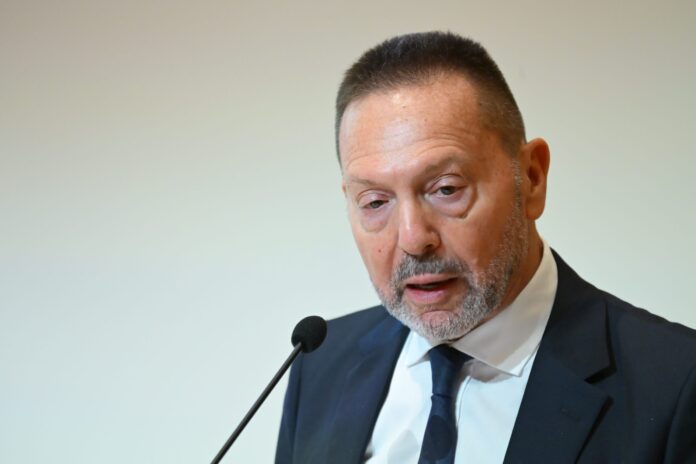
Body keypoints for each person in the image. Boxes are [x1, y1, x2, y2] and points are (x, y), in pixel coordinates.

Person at [275, 31, 696, 464]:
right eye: (375, 202)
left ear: (531, 178)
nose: (414, 238)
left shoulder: (677, 386)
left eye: (446, 189)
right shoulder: (319, 364)